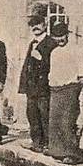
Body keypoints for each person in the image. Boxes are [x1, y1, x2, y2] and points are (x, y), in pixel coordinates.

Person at [45, 23, 83, 164]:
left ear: (67, 35)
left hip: (70, 88)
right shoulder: (54, 52)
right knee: (54, 120)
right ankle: (57, 150)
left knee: (67, 120)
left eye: (62, 36)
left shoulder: (76, 49)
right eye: (56, 37)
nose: (59, 40)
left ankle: (73, 153)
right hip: (56, 88)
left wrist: (81, 80)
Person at [18, 15, 54, 152]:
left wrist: (41, 58)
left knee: (44, 116)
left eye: (38, 24)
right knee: (32, 115)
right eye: (32, 25)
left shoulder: (51, 43)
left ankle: (47, 144)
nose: (35, 27)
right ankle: (36, 142)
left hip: (44, 86)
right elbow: (27, 65)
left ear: (44, 25)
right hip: (31, 87)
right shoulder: (32, 43)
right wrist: (24, 85)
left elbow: (54, 65)